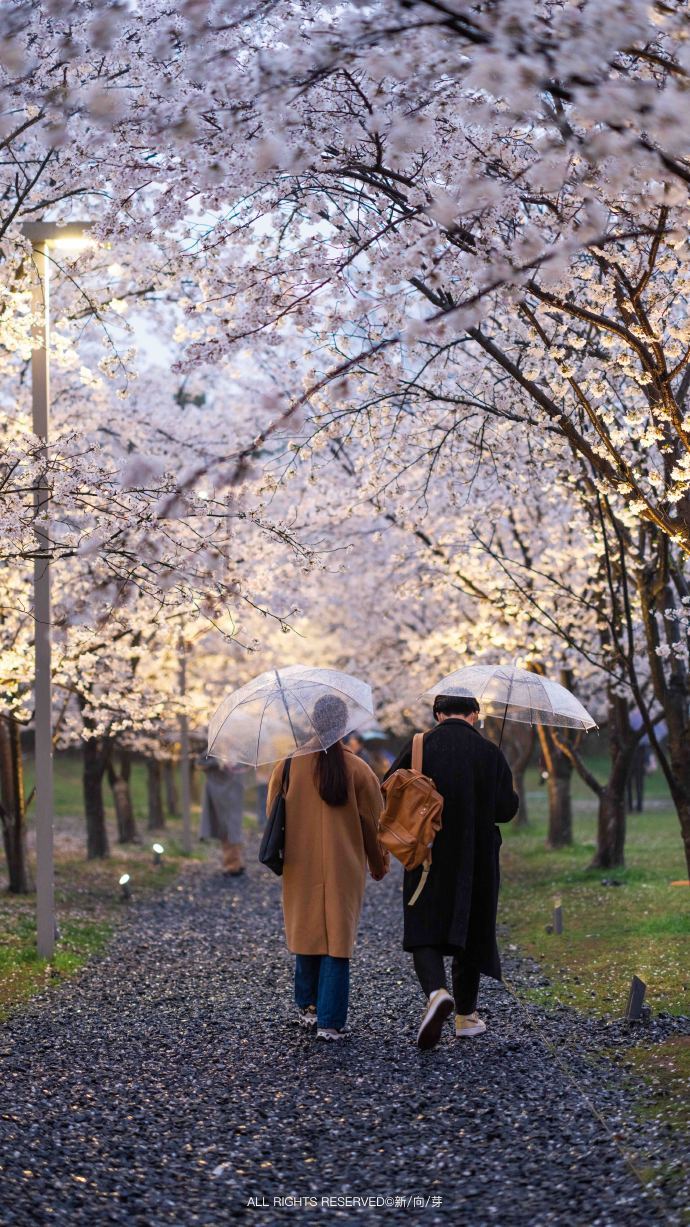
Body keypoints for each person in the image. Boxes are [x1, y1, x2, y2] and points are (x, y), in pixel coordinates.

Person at [385, 693, 519, 1050]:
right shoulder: (490, 752)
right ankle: (466, 1017)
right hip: (476, 856)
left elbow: (388, 789)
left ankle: (436, 993)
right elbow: (506, 810)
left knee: (424, 925)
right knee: (470, 927)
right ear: (475, 715)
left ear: (438, 714)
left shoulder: (419, 746)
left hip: (427, 851)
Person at [267, 695, 389, 1042]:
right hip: (344, 867)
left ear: (311, 722)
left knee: (307, 930)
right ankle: (330, 1022)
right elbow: (374, 822)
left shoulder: (288, 765)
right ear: (344, 724)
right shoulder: (358, 768)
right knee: (337, 939)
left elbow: (272, 814)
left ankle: (307, 1006)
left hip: (299, 863)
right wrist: (378, 862)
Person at [198, 755, 247, 876]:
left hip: (233, 791)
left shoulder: (239, 750)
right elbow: (200, 763)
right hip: (218, 794)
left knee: (233, 828)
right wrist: (218, 761)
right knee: (224, 828)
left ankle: (234, 864)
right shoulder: (213, 749)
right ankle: (234, 863)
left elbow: (244, 766)